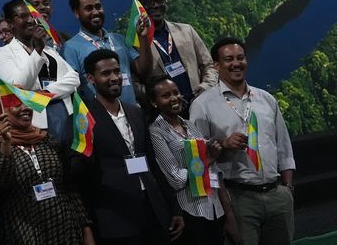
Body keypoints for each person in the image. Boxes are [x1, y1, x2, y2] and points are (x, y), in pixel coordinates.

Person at [70, 49, 183, 245]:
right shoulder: (82, 119)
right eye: (106, 74)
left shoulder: (136, 113)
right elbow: (79, 177)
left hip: (154, 212)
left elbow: (153, 164)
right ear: (90, 78)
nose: (114, 78)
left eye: (117, 71)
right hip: (116, 220)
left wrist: (173, 208)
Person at [189, 38, 296, 245]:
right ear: (217, 66)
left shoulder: (266, 99)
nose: (236, 63)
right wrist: (223, 145)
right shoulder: (203, 105)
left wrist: (287, 189)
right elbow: (197, 161)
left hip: (277, 196)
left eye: (240, 58)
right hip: (237, 198)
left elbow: (283, 147)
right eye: (229, 59)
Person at [0, 96, 95, 245]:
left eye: (27, 103)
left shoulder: (46, 139)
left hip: (66, 228)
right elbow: (1, 185)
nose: (25, 108)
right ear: (2, 112)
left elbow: (68, 187)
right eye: (16, 105)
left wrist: (86, 229)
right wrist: (6, 144)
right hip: (26, 233)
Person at [148, 76, 239, 245]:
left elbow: (214, 172)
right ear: (154, 102)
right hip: (190, 213)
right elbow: (176, 179)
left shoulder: (190, 125)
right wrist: (208, 159)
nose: (174, 98)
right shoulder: (156, 132)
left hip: (215, 209)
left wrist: (229, 213)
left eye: (176, 92)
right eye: (166, 95)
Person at [0, 0, 79, 142]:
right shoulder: (5, 53)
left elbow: (74, 79)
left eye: (31, 16)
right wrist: (37, 52)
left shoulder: (49, 50)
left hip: (67, 118)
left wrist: (45, 94)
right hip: (37, 126)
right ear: (10, 24)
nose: (30, 20)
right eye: (22, 16)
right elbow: (17, 90)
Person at [62, 0, 152, 106]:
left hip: (132, 113)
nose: (95, 12)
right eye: (89, 8)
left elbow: (143, 70)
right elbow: (73, 92)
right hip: (101, 119)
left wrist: (143, 38)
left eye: (98, 7)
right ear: (76, 13)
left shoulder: (119, 39)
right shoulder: (70, 48)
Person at [135, 0, 217, 106]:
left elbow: (209, 65)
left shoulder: (186, 30)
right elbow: (137, 83)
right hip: (167, 114)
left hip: (201, 104)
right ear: (139, 6)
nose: (156, 5)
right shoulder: (136, 44)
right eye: (149, 2)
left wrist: (206, 86)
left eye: (159, 0)